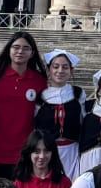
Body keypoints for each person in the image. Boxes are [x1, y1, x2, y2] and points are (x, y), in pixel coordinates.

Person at [0, 32, 47, 179]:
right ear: (9, 50)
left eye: (25, 48)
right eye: (16, 47)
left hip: (24, 151)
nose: (20, 51)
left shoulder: (39, 80)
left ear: (32, 53)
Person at [32, 48, 83, 178]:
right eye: (56, 67)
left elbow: (83, 119)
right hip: (47, 151)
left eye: (65, 67)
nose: (60, 71)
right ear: (49, 70)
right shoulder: (41, 95)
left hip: (72, 150)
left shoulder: (78, 94)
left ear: (71, 71)